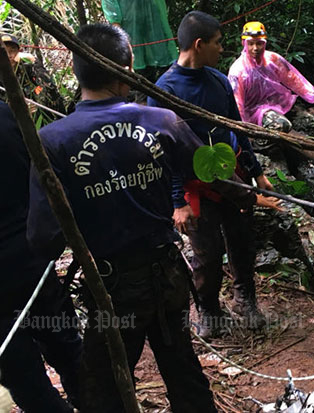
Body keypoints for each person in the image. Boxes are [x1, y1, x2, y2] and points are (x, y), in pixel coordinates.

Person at [27, 23, 219, 412]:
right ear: (127, 67)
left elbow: (43, 238)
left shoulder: (53, 141)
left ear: (79, 72)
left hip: (111, 288)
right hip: (168, 277)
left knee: (105, 390)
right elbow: (211, 173)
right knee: (183, 370)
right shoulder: (162, 121)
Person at [148, 11, 280, 339]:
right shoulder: (164, 91)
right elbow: (165, 153)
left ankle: (244, 299)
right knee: (205, 255)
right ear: (198, 44)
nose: (222, 49)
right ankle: (209, 309)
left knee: (242, 242)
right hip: (196, 186)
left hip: (232, 177)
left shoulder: (219, 81)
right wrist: (177, 201)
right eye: (218, 43)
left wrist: (257, 172)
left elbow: (237, 129)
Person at [0, 101, 82, 413]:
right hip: (32, 257)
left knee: (25, 378)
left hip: (27, 259)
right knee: (67, 350)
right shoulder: (6, 112)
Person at [227, 21, 314, 133]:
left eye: (259, 43)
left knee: (312, 123)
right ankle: (260, 144)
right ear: (244, 44)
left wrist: (312, 97)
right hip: (252, 111)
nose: (255, 48)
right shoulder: (238, 70)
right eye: (251, 43)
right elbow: (236, 103)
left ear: (265, 43)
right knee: (281, 125)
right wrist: (242, 129)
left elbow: (293, 78)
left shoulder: (272, 59)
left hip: (278, 103)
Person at [101, 0, 178, 83]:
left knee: (167, 83)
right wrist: (123, 44)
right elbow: (112, 11)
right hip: (133, 39)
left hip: (157, 36)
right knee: (141, 84)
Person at [1, 33, 65, 122]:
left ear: (19, 51)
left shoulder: (27, 67)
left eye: (12, 50)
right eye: (4, 51)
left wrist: (34, 61)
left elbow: (48, 87)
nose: (9, 55)